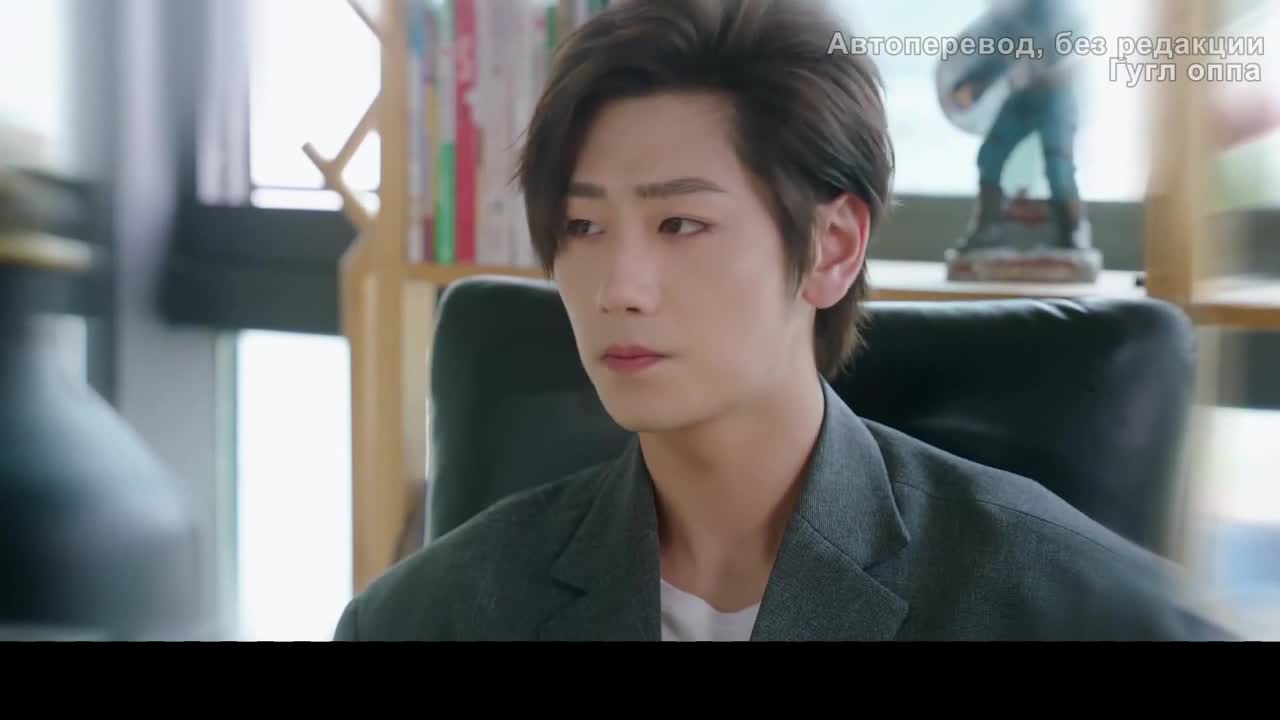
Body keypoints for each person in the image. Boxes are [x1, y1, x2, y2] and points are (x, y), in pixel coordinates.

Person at [333, 0, 1227, 641]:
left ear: (833, 247)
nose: (618, 288)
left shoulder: (1073, 606)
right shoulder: (427, 616)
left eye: (681, 224)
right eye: (582, 226)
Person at [950, 0, 1089, 251]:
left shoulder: (1062, 12)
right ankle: (988, 228)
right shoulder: (1012, 16)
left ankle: (1071, 232)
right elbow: (1000, 55)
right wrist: (973, 86)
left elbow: (1075, 50)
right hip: (1022, 96)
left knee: (1058, 167)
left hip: (1055, 96)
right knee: (990, 157)